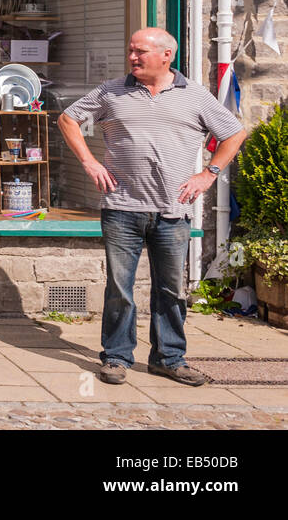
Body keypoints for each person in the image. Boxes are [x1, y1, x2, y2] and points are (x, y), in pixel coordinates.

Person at [57, 27, 246, 387]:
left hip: (172, 211)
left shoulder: (194, 95)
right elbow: (68, 119)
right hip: (121, 208)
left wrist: (209, 174)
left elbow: (234, 133)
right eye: (131, 50)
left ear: (166, 55)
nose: (132, 57)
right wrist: (89, 163)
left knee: (171, 290)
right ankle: (116, 357)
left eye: (140, 51)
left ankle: (169, 358)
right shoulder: (111, 91)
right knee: (120, 288)